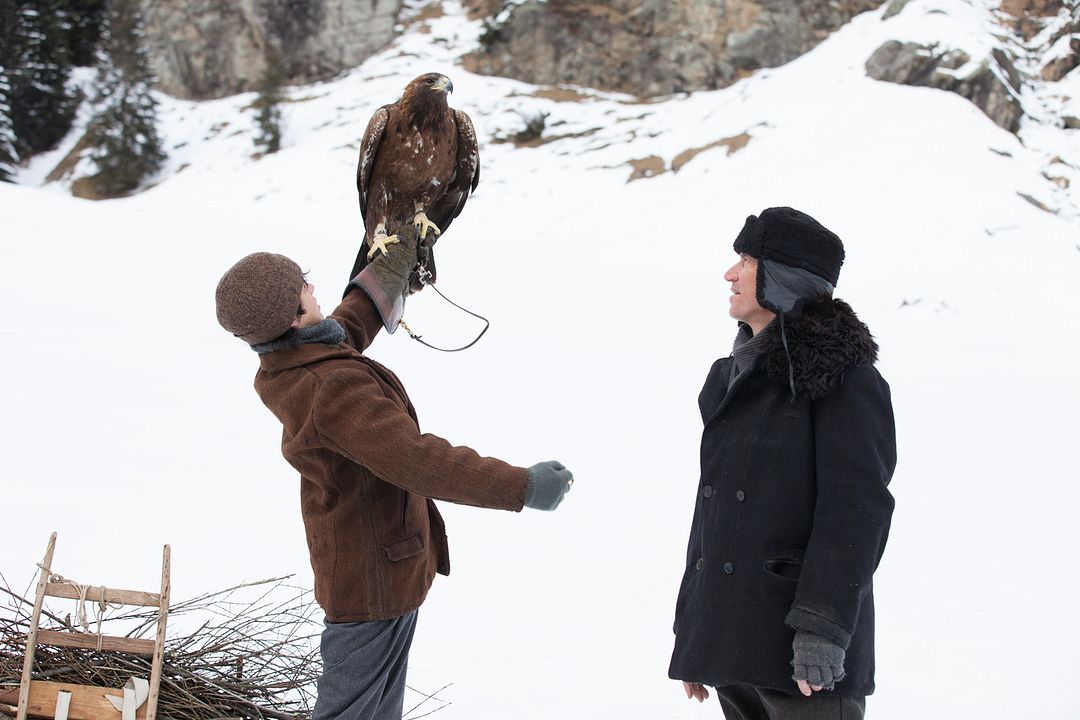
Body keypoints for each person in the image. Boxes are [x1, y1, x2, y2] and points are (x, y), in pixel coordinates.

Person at [215, 225, 574, 720]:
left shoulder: (291, 362)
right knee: (351, 712)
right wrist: (523, 485)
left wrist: (388, 268)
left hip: (377, 569)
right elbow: (418, 461)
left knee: (377, 711)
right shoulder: (331, 389)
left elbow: (346, 326)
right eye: (304, 285)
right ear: (295, 317)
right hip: (369, 580)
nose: (315, 287)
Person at [668, 207, 896, 720]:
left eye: (746, 260)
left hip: (807, 661)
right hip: (736, 643)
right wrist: (694, 630)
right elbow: (713, 517)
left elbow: (856, 513)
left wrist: (823, 628)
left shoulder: (846, 379)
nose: (729, 274)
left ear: (782, 280)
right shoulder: (732, 378)